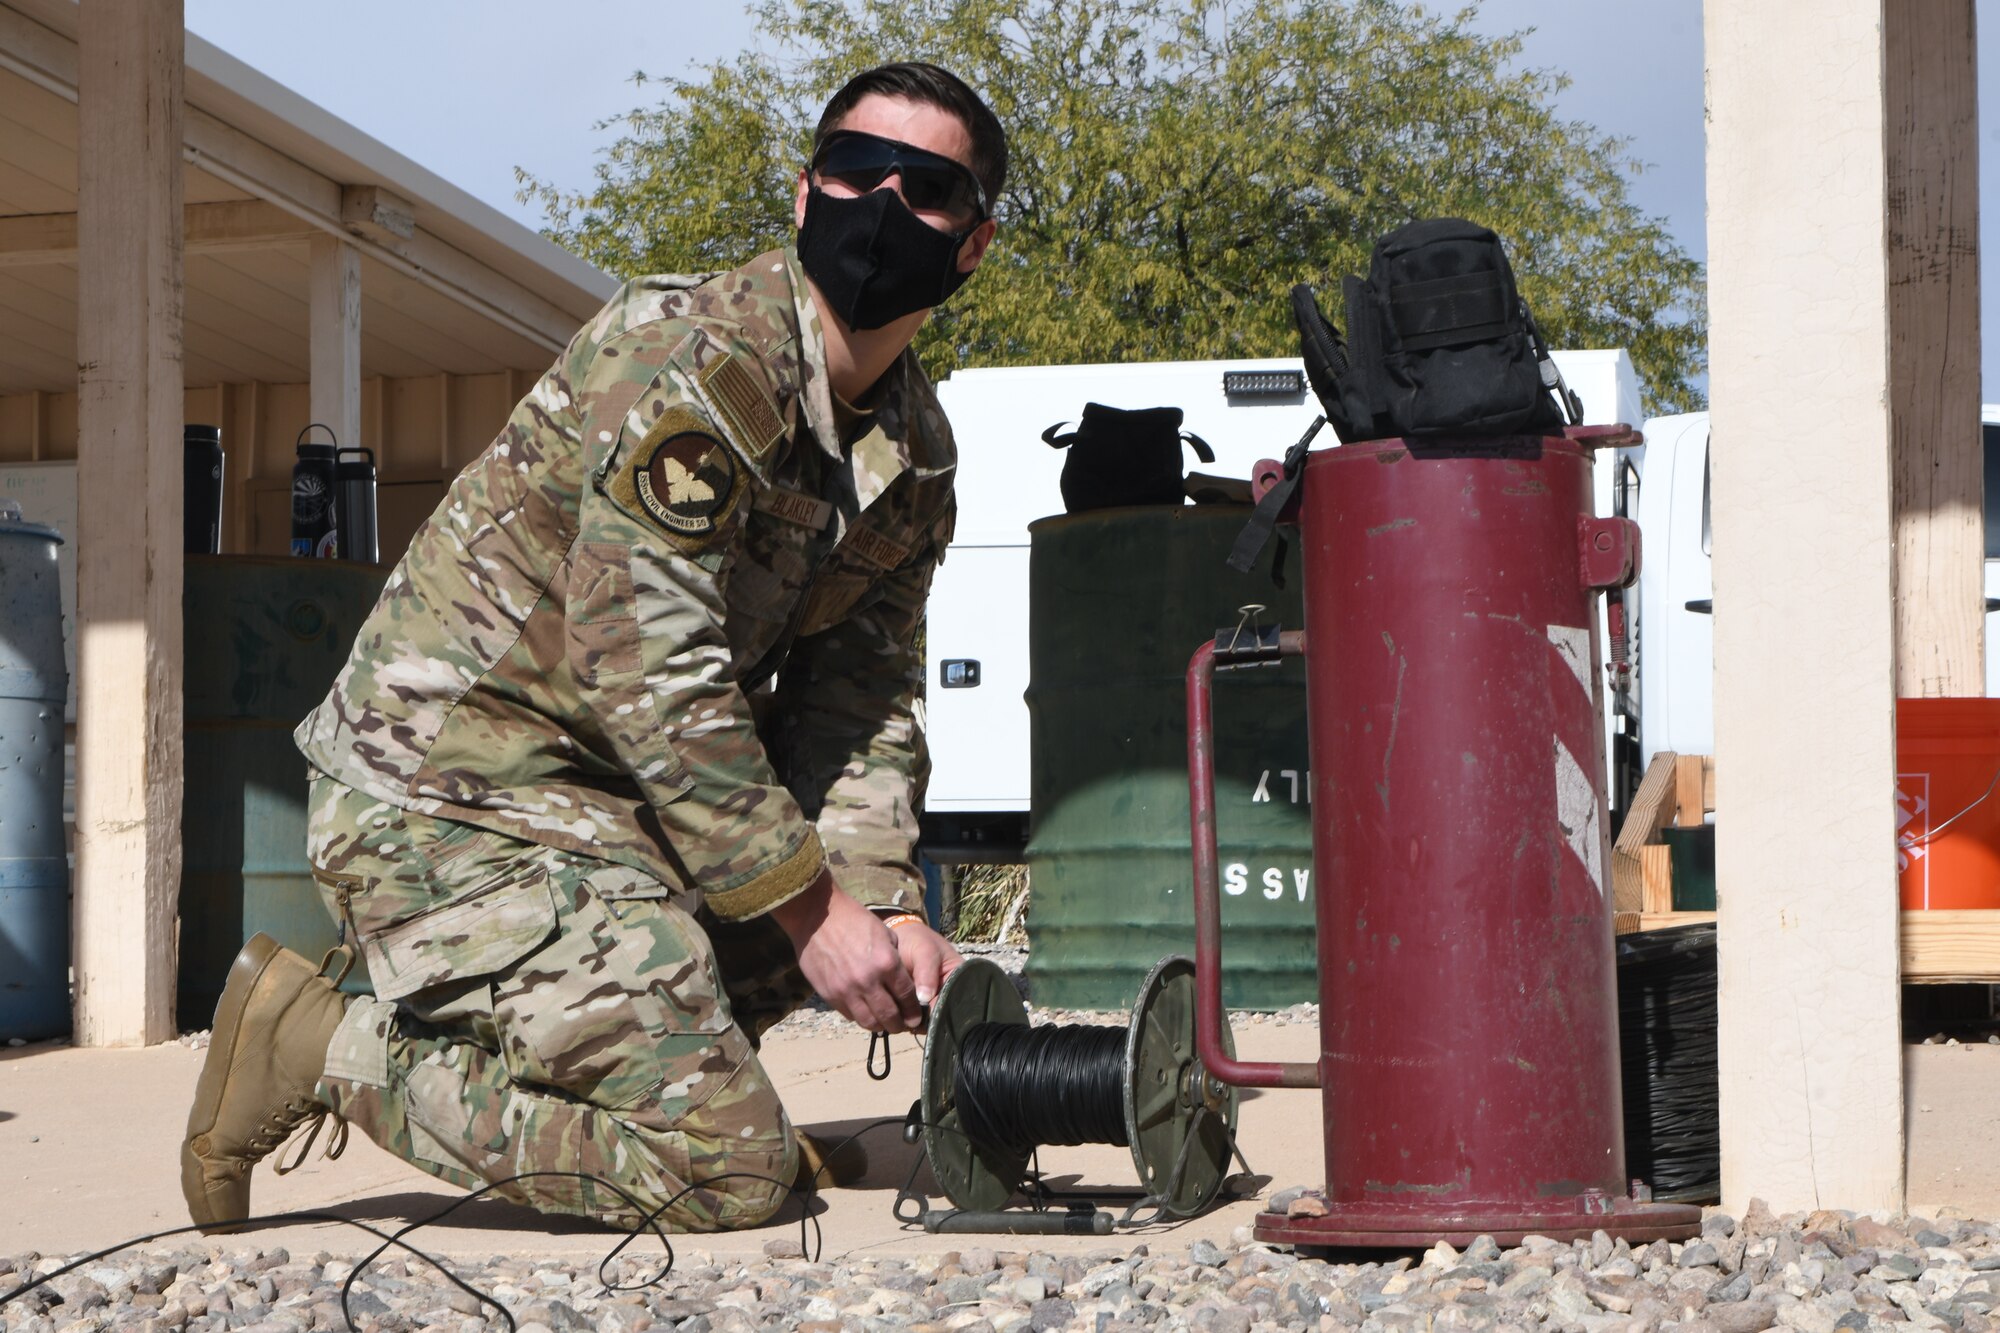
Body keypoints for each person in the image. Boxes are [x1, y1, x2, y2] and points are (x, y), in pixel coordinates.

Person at [180, 61, 1006, 1234]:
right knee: (725, 1174)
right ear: (802, 190)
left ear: (970, 244)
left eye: (923, 188)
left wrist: (880, 898)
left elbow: (860, 698)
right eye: (851, 169)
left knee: (810, 928)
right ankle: (325, 1043)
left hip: (615, 818)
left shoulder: (915, 456)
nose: (878, 204)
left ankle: (635, 1071)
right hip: (447, 795)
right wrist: (812, 909)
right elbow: (645, 661)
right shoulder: (694, 357)